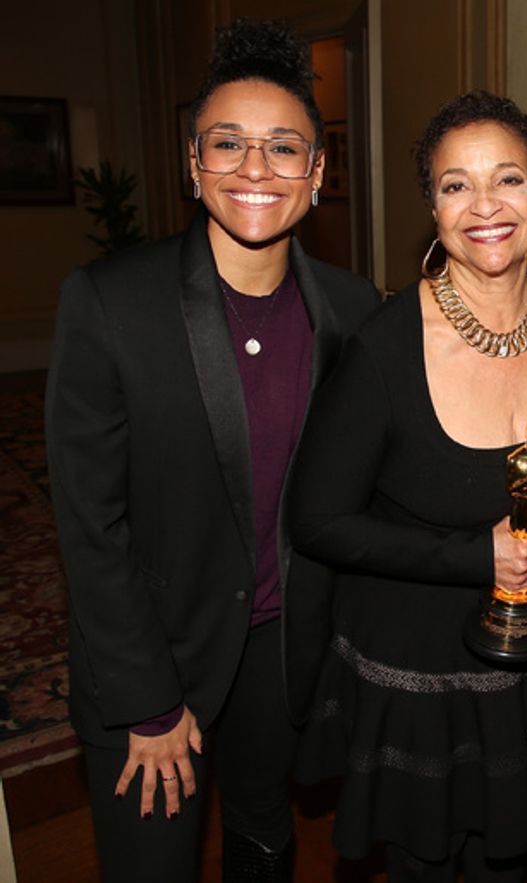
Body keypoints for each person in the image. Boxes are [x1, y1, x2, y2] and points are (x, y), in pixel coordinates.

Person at [45, 18, 379, 882]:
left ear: (317, 171)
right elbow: (89, 525)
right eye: (228, 143)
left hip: (282, 651)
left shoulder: (353, 308)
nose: (255, 169)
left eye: (283, 148)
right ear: (193, 164)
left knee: (264, 841)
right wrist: (149, 700)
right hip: (153, 657)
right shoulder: (112, 302)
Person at [286, 91, 527, 882]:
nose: (485, 205)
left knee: (508, 861)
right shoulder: (385, 349)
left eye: (509, 179)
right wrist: (472, 556)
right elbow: (316, 518)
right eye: (457, 185)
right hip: (416, 669)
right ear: (434, 209)